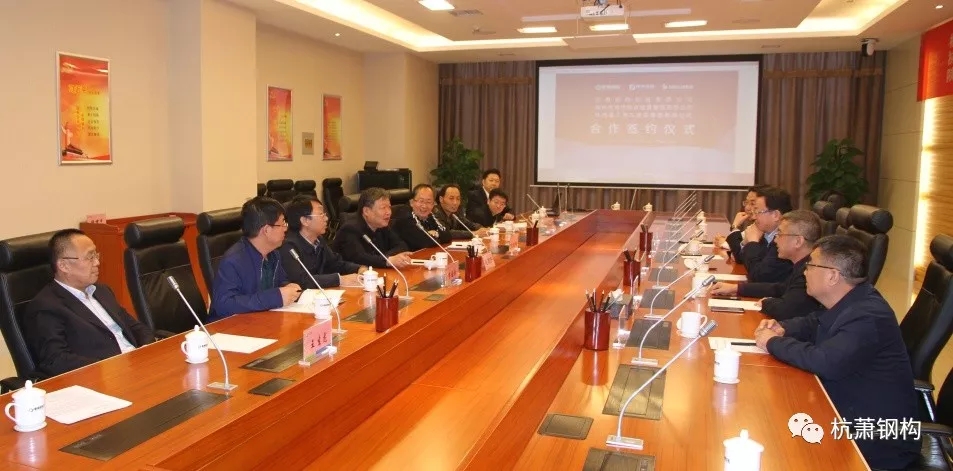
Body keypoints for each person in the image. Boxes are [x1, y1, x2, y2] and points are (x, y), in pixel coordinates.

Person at [754, 235, 920, 470]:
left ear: (832, 276)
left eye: (810, 265)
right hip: (846, 412)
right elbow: (815, 322)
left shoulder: (868, 315)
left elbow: (825, 361)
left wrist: (772, 342)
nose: (804, 272)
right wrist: (783, 327)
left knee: (776, 440)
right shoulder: (852, 300)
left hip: (876, 437)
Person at [22, 229, 154, 377]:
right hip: (103, 377)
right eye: (90, 257)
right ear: (64, 266)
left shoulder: (102, 291)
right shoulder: (46, 306)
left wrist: (148, 348)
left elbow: (134, 326)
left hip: (138, 365)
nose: (97, 262)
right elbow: (55, 359)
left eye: (96, 255)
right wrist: (108, 367)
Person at [711, 210, 822, 320]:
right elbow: (779, 288)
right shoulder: (801, 266)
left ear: (798, 241)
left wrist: (766, 303)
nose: (775, 240)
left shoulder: (811, 272)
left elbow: (785, 309)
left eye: (780, 234)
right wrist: (736, 288)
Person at [210, 196, 302, 320]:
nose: (286, 228)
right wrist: (276, 297)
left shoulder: (273, 254)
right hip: (232, 326)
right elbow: (224, 305)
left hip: (263, 320)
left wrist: (289, 287)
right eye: (282, 223)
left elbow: (281, 281)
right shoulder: (233, 260)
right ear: (266, 230)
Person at [279, 195, 367, 289]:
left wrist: (359, 268)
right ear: (305, 221)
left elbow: (335, 263)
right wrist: (339, 279)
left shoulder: (318, 239)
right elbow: (301, 280)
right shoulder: (288, 246)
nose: (326, 218)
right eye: (321, 214)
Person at [726, 185, 794, 283]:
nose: (754, 216)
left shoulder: (786, 239)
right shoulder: (765, 233)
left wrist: (752, 242)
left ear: (775, 215)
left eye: (758, 211)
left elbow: (759, 276)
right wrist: (745, 243)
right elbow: (742, 260)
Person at [332, 187, 413, 268]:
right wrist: (387, 260)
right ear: (366, 211)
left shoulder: (381, 226)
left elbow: (402, 246)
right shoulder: (349, 229)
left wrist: (387, 258)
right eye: (383, 208)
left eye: (389, 207)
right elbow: (360, 258)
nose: (388, 212)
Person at [392, 184, 453, 250]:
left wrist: (436, 233)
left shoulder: (429, 215)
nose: (424, 206)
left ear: (433, 204)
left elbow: (447, 235)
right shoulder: (405, 217)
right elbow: (424, 242)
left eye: (428, 202)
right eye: (421, 201)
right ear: (411, 202)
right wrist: (432, 235)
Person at [715, 184, 768, 248]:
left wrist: (735, 226)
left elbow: (738, 249)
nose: (747, 208)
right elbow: (739, 243)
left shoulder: (765, 228)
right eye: (746, 202)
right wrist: (726, 242)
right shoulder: (754, 226)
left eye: (752, 204)